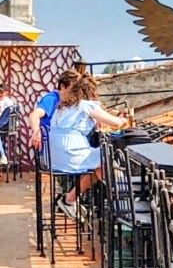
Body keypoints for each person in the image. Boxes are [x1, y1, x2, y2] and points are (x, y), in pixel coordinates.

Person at [50, 74, 129, 218]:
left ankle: (70, 200)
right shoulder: (85, 105)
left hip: (53, 158)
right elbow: (115, 123)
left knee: (97, 163)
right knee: (105, 157)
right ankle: (122, 201)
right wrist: (124, 120)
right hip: (69, 154)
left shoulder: (61, 107)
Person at [29, 70, 79, 149]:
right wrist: (36, 132)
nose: (75, 93)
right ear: (62, 86)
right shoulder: (51, 99)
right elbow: (34, 115)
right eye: (73, 89)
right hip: (50, 149)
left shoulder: (70, 102)